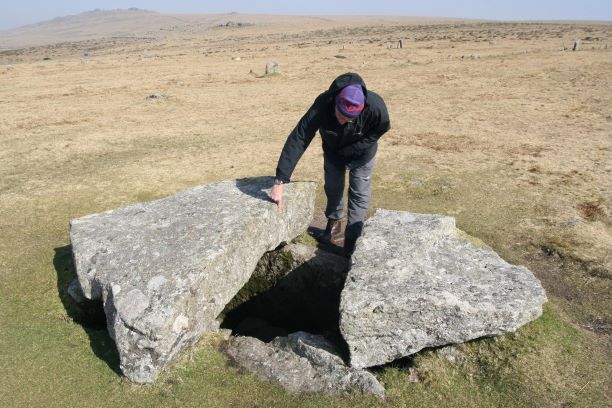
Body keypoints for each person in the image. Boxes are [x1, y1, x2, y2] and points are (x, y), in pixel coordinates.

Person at [270, 72, 390, 256]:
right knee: (333, 187)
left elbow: (381, 128)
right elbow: (300, 136)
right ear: (335, 103)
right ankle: (333, 227)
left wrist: (358, 147)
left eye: (349, 119)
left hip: (362, 155)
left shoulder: (375, 106)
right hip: (333, 152)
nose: (342, 121)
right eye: (340, 115)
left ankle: (352, 240)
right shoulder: (322, 105)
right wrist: (281, 179)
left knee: (359, 193)